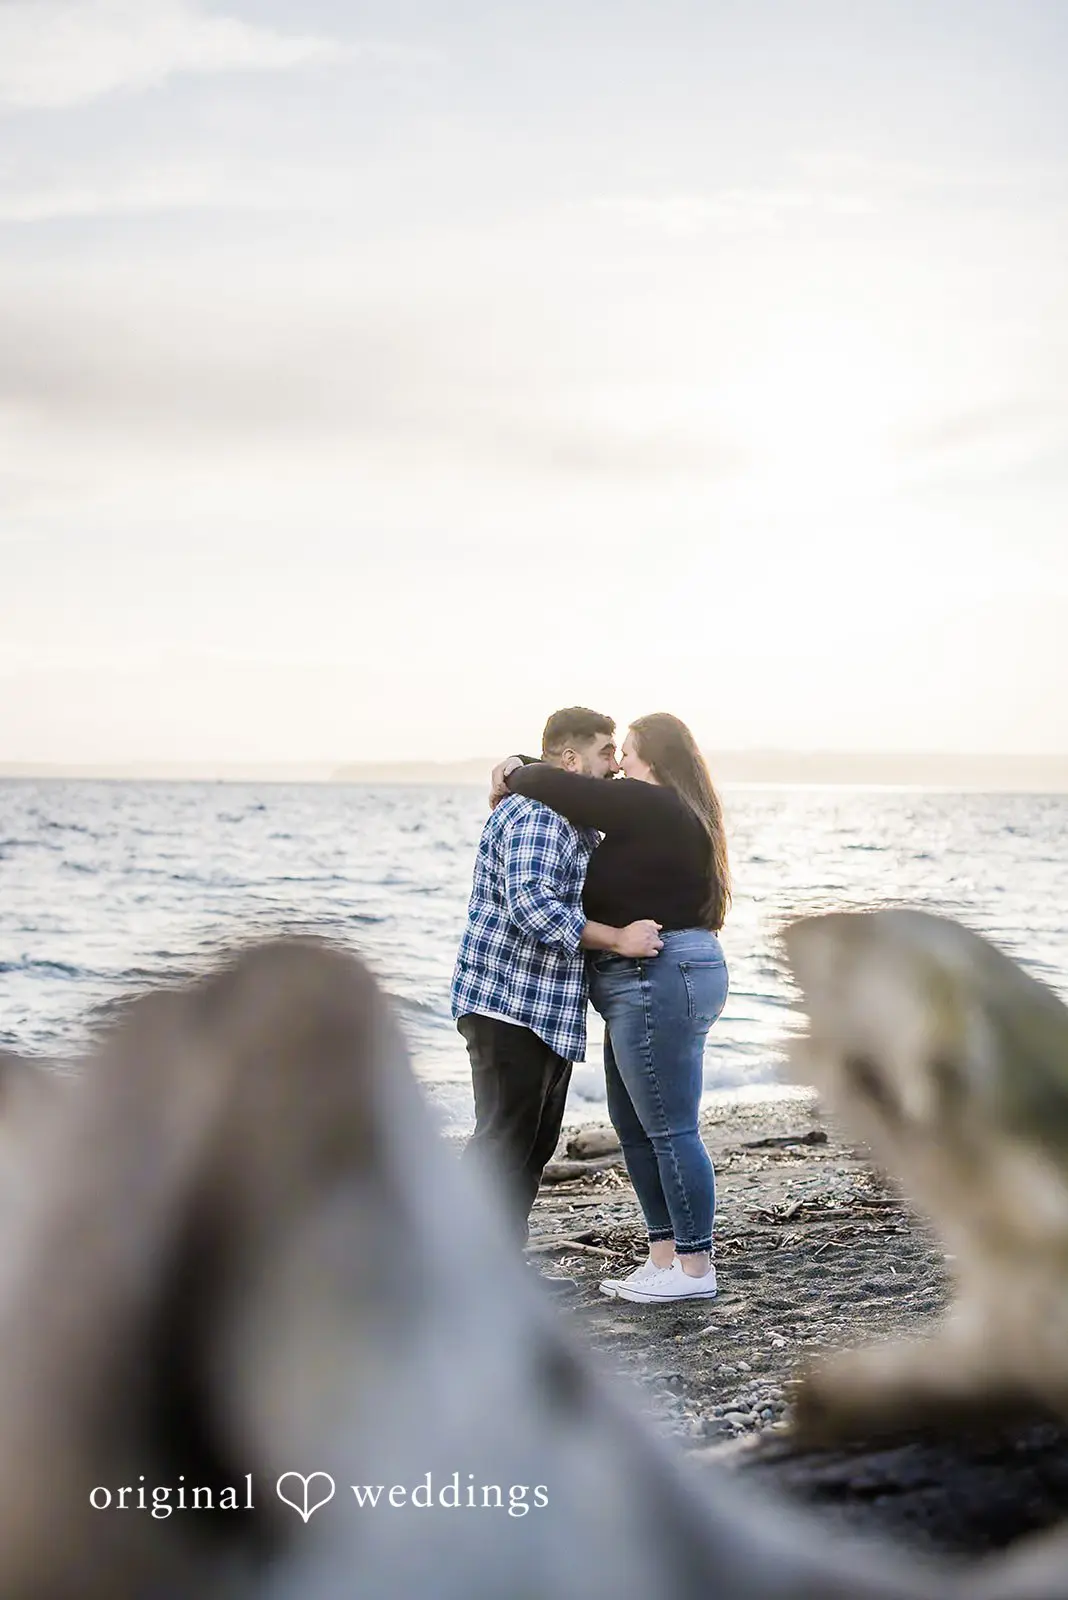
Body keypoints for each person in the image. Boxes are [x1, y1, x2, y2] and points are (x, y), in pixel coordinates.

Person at [494, 713, 730, 1302]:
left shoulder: (654, 804)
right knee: (634, 1126)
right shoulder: (664, 812)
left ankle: (696, 1271)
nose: (619, 763)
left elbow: (564, 785)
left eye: (626, 751)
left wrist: (515, 768)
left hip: (658, 970)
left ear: (654, 758)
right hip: (649, 974)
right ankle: (665, 1257)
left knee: (670, 1127)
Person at [451, 707, 663, 1245]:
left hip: (543, 1011)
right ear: (570, 759)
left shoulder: (569, 815)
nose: (615, 764)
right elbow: (533, 907)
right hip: (507, 1004)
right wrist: (617, 939)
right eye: (605, 752)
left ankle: (501, 1269)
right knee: (502, 1143)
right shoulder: (540, 814)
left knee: (531, 1145)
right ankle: (452, 1271)